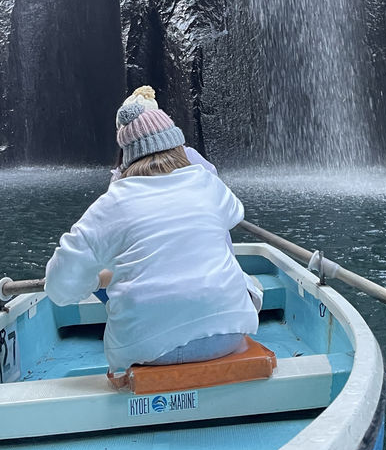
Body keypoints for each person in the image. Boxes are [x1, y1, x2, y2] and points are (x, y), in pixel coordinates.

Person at [45, 86, 259, 374]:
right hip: (228, 336)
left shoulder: (111, 204)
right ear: (177, 146)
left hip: (145, 350)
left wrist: (95, 280)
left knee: (115, 281)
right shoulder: (206, 183)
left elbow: (59, 288)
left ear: (126, 156)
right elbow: (235, 214)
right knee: (246, 281)